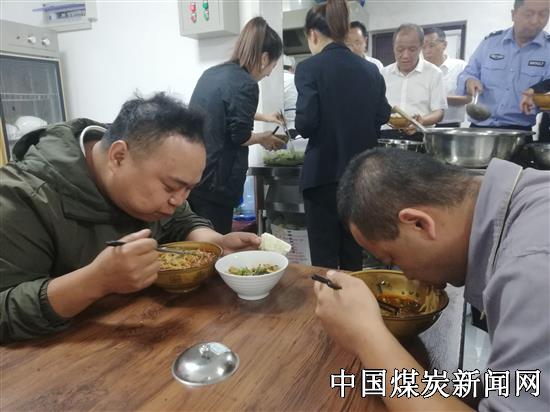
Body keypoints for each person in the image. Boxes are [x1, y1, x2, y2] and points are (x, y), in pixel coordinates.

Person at [0, 93, 261, 343]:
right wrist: (96, 281)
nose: (178, 200)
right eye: (171, 187)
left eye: (189, 189)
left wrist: (215, 243)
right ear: (118, 157)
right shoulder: (21, 199)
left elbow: (181, 220)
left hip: (148, 337)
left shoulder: (151, 178)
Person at [314, 148, 549, 411]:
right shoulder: (526, 201)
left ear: (419, 224)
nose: (407, 275)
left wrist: (365, 334)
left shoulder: (532, 269)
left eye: (393, 259)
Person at [294, 0, 391, 270]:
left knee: (323, 257)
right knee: (352, 252)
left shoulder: (309, 68)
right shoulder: (370, 70)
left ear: (313, 34)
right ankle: (353, 296)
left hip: (322, 176)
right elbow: (383, 115)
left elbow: (306, 123)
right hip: (360, 177)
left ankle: (325, 297)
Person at [188, 17, 285, 234]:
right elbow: (239, 136)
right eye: (273, 65)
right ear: (264, 58)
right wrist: (263, 138)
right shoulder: (246, 84)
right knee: (215, 243)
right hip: (217, 182)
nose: (269, 72)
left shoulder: (213, 74)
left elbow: (227, 112)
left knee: (198, 240)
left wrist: (266, 117)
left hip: (196, 175)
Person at [457, 0, 550, 134]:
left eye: (543, 15)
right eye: (529, 14)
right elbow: (468, 73)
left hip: (518, 132)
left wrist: (536, 93)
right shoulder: (490, 43)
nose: (535, 21)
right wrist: (469, 81)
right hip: (479, 129)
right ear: (513, 14)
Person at [381, 23, 447, 137]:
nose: (405, 55)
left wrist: (421, 121)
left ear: (421, 47)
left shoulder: (434, 73)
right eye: (400, 49)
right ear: (393, 47)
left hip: (419, 135)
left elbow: (439, 112)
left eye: (412, 49)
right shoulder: (383, 74)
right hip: (387, 135)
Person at [422, 27, 469, 127]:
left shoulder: (460, 67)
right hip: (423, 124)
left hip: (450, 125)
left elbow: (468, 98)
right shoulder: (420, 70)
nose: (427, 51)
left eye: (431, 45)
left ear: (444, 45)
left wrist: (439, 99)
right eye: (423, 47)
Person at [283, 54, 299, 139]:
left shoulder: (274, 79)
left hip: (279, 125)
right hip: (295, 124)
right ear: (291, 68)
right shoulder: (296, 78)